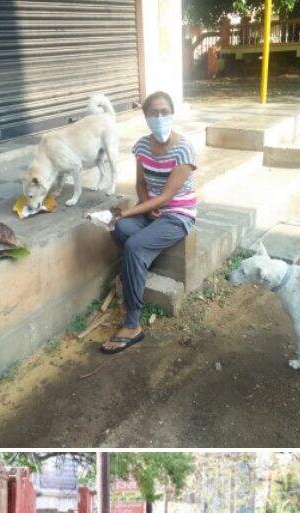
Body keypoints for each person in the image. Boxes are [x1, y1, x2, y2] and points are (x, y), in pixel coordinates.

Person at [101, 90, 197, 355]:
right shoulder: (142, 146)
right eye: (152, 113)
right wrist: (143, 206)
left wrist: (128, 211)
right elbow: (141, 183)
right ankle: (140, 266)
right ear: (145, 117)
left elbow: (167, 196)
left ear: (172, 113)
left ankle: (133, 324)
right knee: (120, 229)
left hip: (177, 216)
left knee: (133, 245)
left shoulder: (184, 149)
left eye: (164, 112)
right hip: (152, 211)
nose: (159, 117)